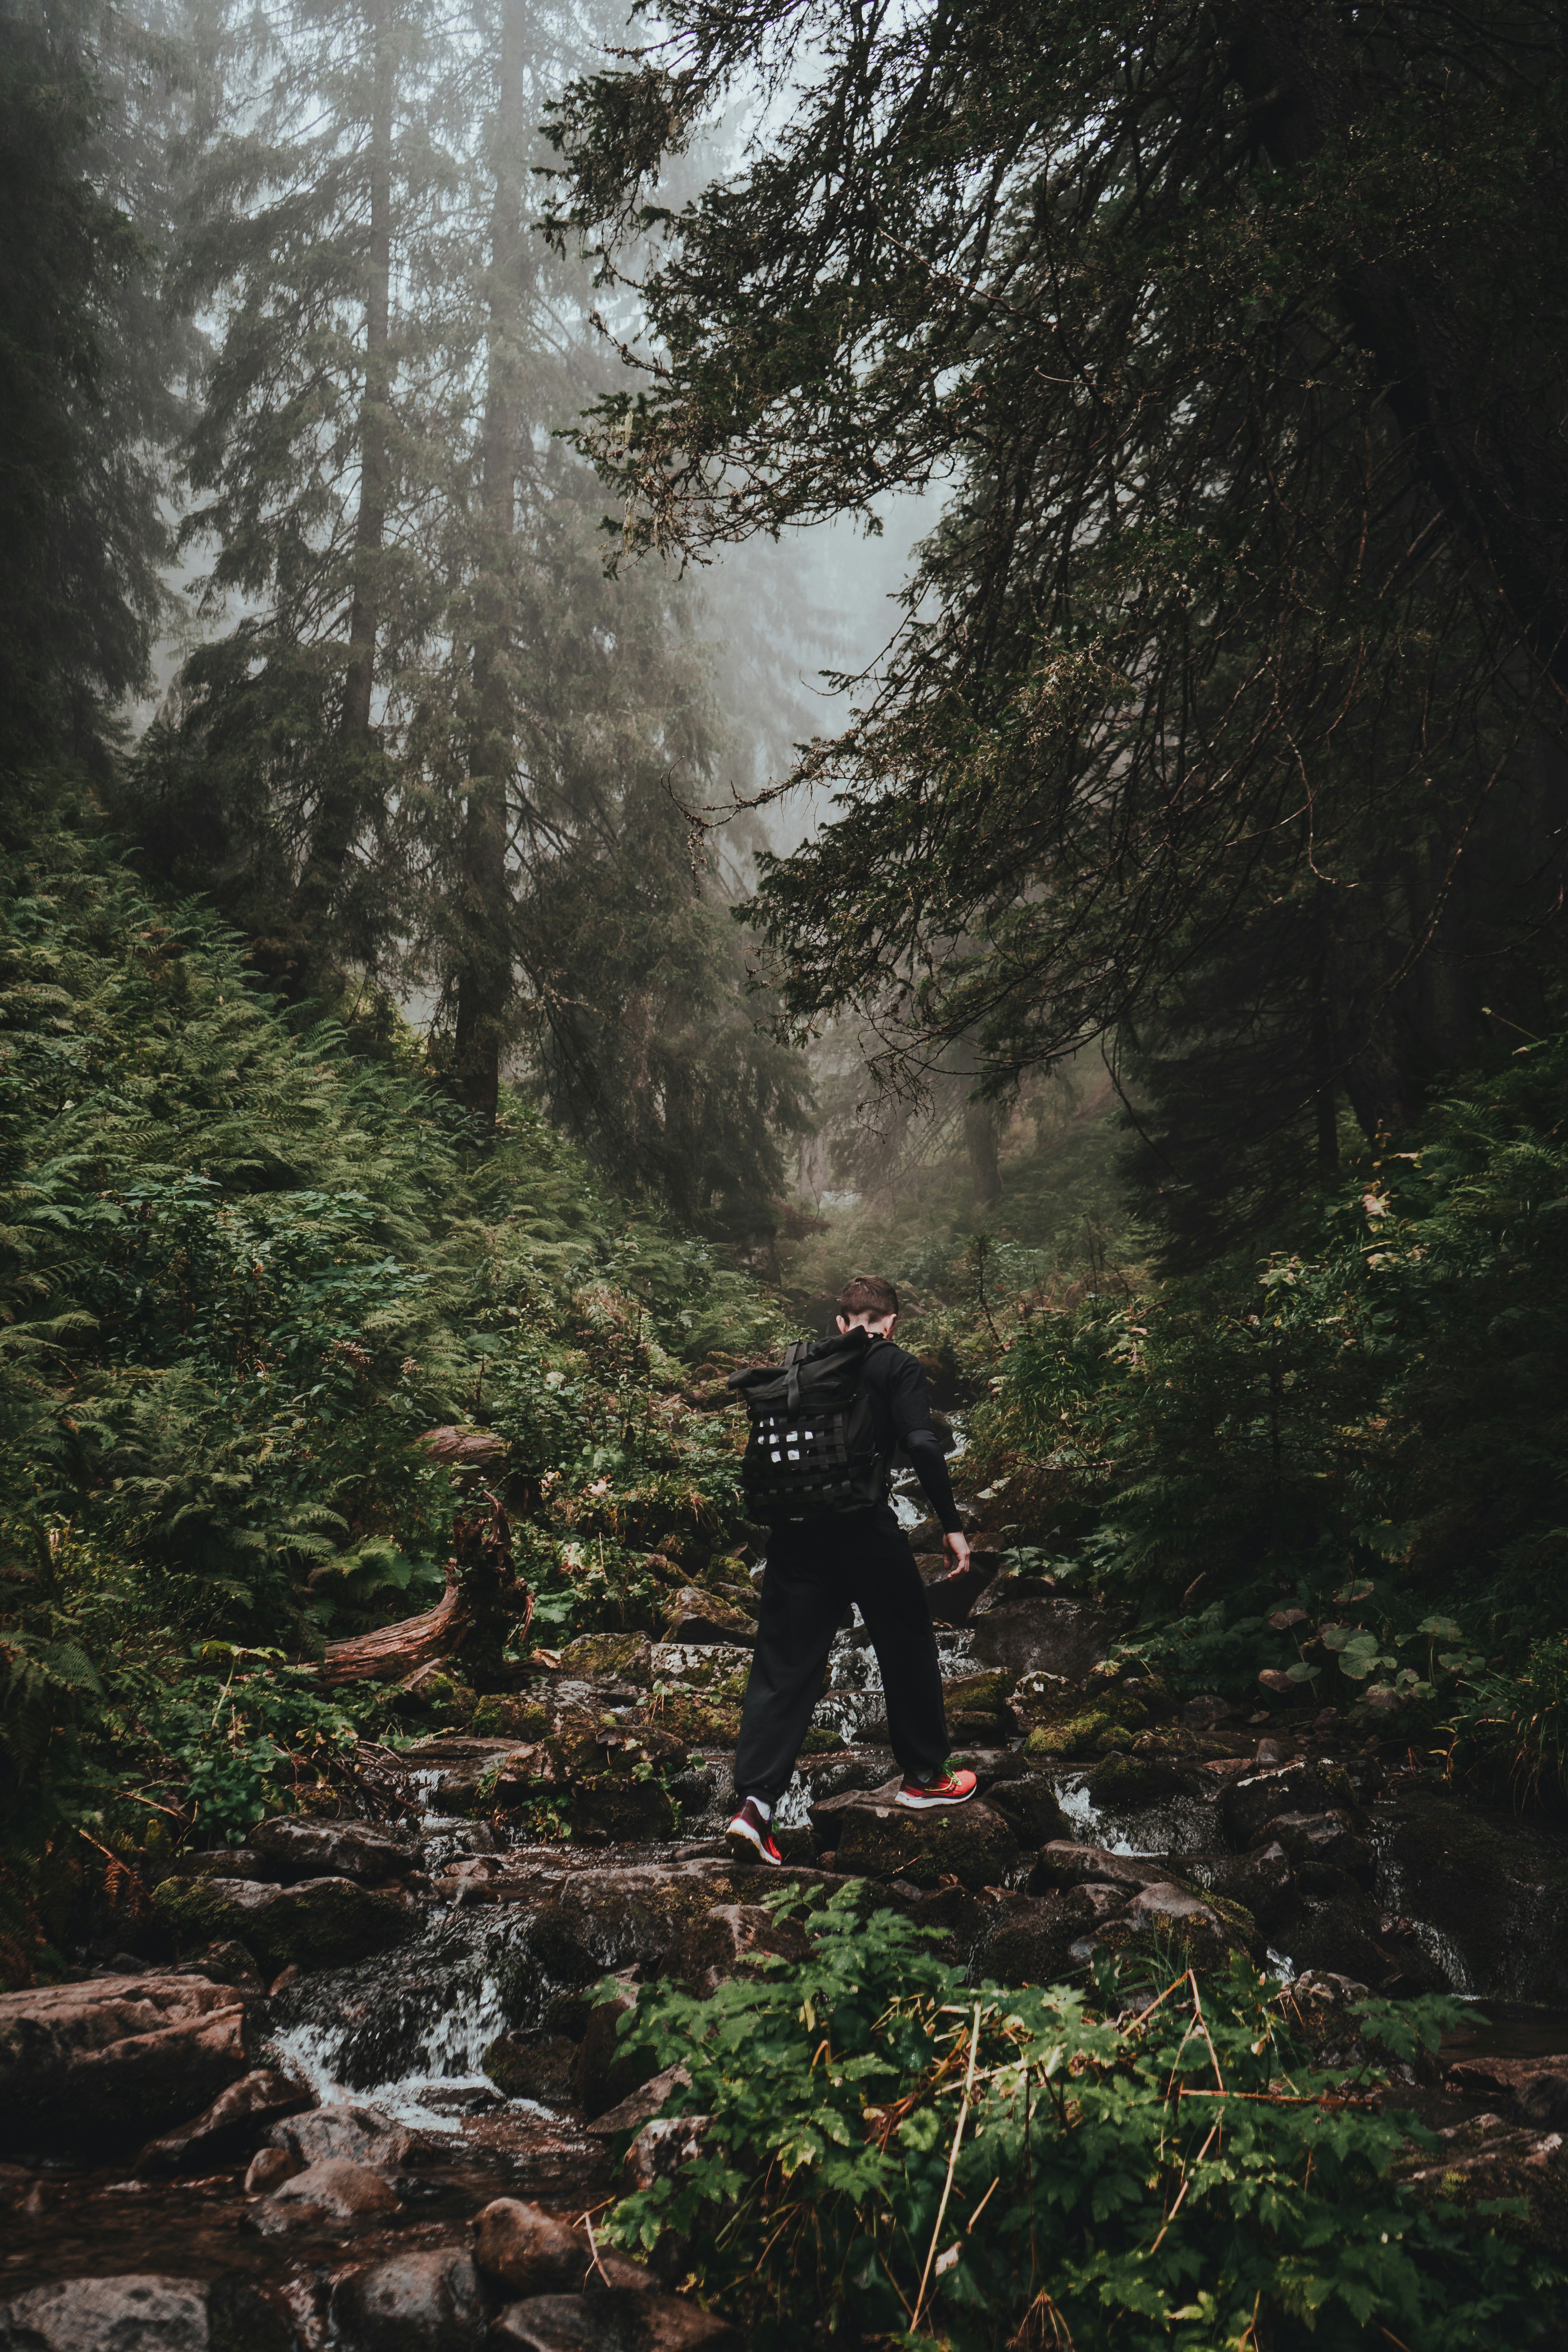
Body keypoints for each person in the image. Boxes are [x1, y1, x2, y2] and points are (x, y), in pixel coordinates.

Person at [726, 1274, 978, 1864]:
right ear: (891, 1323)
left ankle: (755, 1808)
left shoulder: (804, 1364)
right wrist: (951, 1524)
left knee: (783, 1667)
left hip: (794, 1536)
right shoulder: (896, 1364)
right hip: (865, 1530)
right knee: (907, 1640)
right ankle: (924, 1776)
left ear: (843, 1322)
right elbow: (920, 1441)